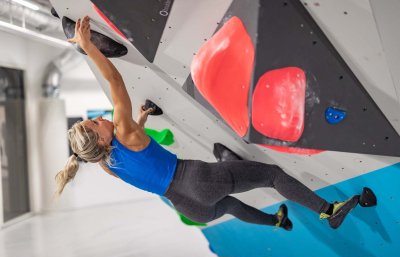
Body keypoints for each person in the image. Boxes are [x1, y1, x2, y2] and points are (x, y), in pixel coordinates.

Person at [56, 16, 361, 231]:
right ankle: (328, 212)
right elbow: (115, 79)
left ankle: (276, 222)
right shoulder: (121, 130)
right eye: (96, 123)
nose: (100, 118)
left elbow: (140, 158)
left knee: (229, 207)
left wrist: (141, 120)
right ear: (101, 141)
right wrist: (88, 45)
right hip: (197, 179)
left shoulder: (106, 164)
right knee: (271, 175)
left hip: (187, 204)